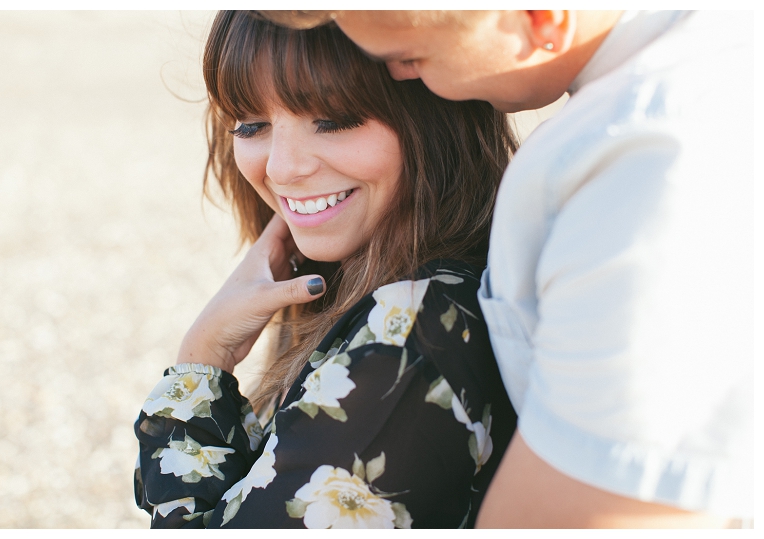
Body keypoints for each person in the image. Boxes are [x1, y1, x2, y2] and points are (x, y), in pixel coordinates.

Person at [255, 10, 755, 528]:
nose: (401, 76)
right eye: (249, 124)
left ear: (543, 17)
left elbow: (603, 505)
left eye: (412, 57)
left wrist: (201, 366)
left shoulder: (647, 169)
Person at [133, 10, 520, 529]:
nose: (281, 168)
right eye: (251, 125)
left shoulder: (411, 332)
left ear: (436, 114)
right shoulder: (418, 292)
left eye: (334, 120)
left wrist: (204, 360)